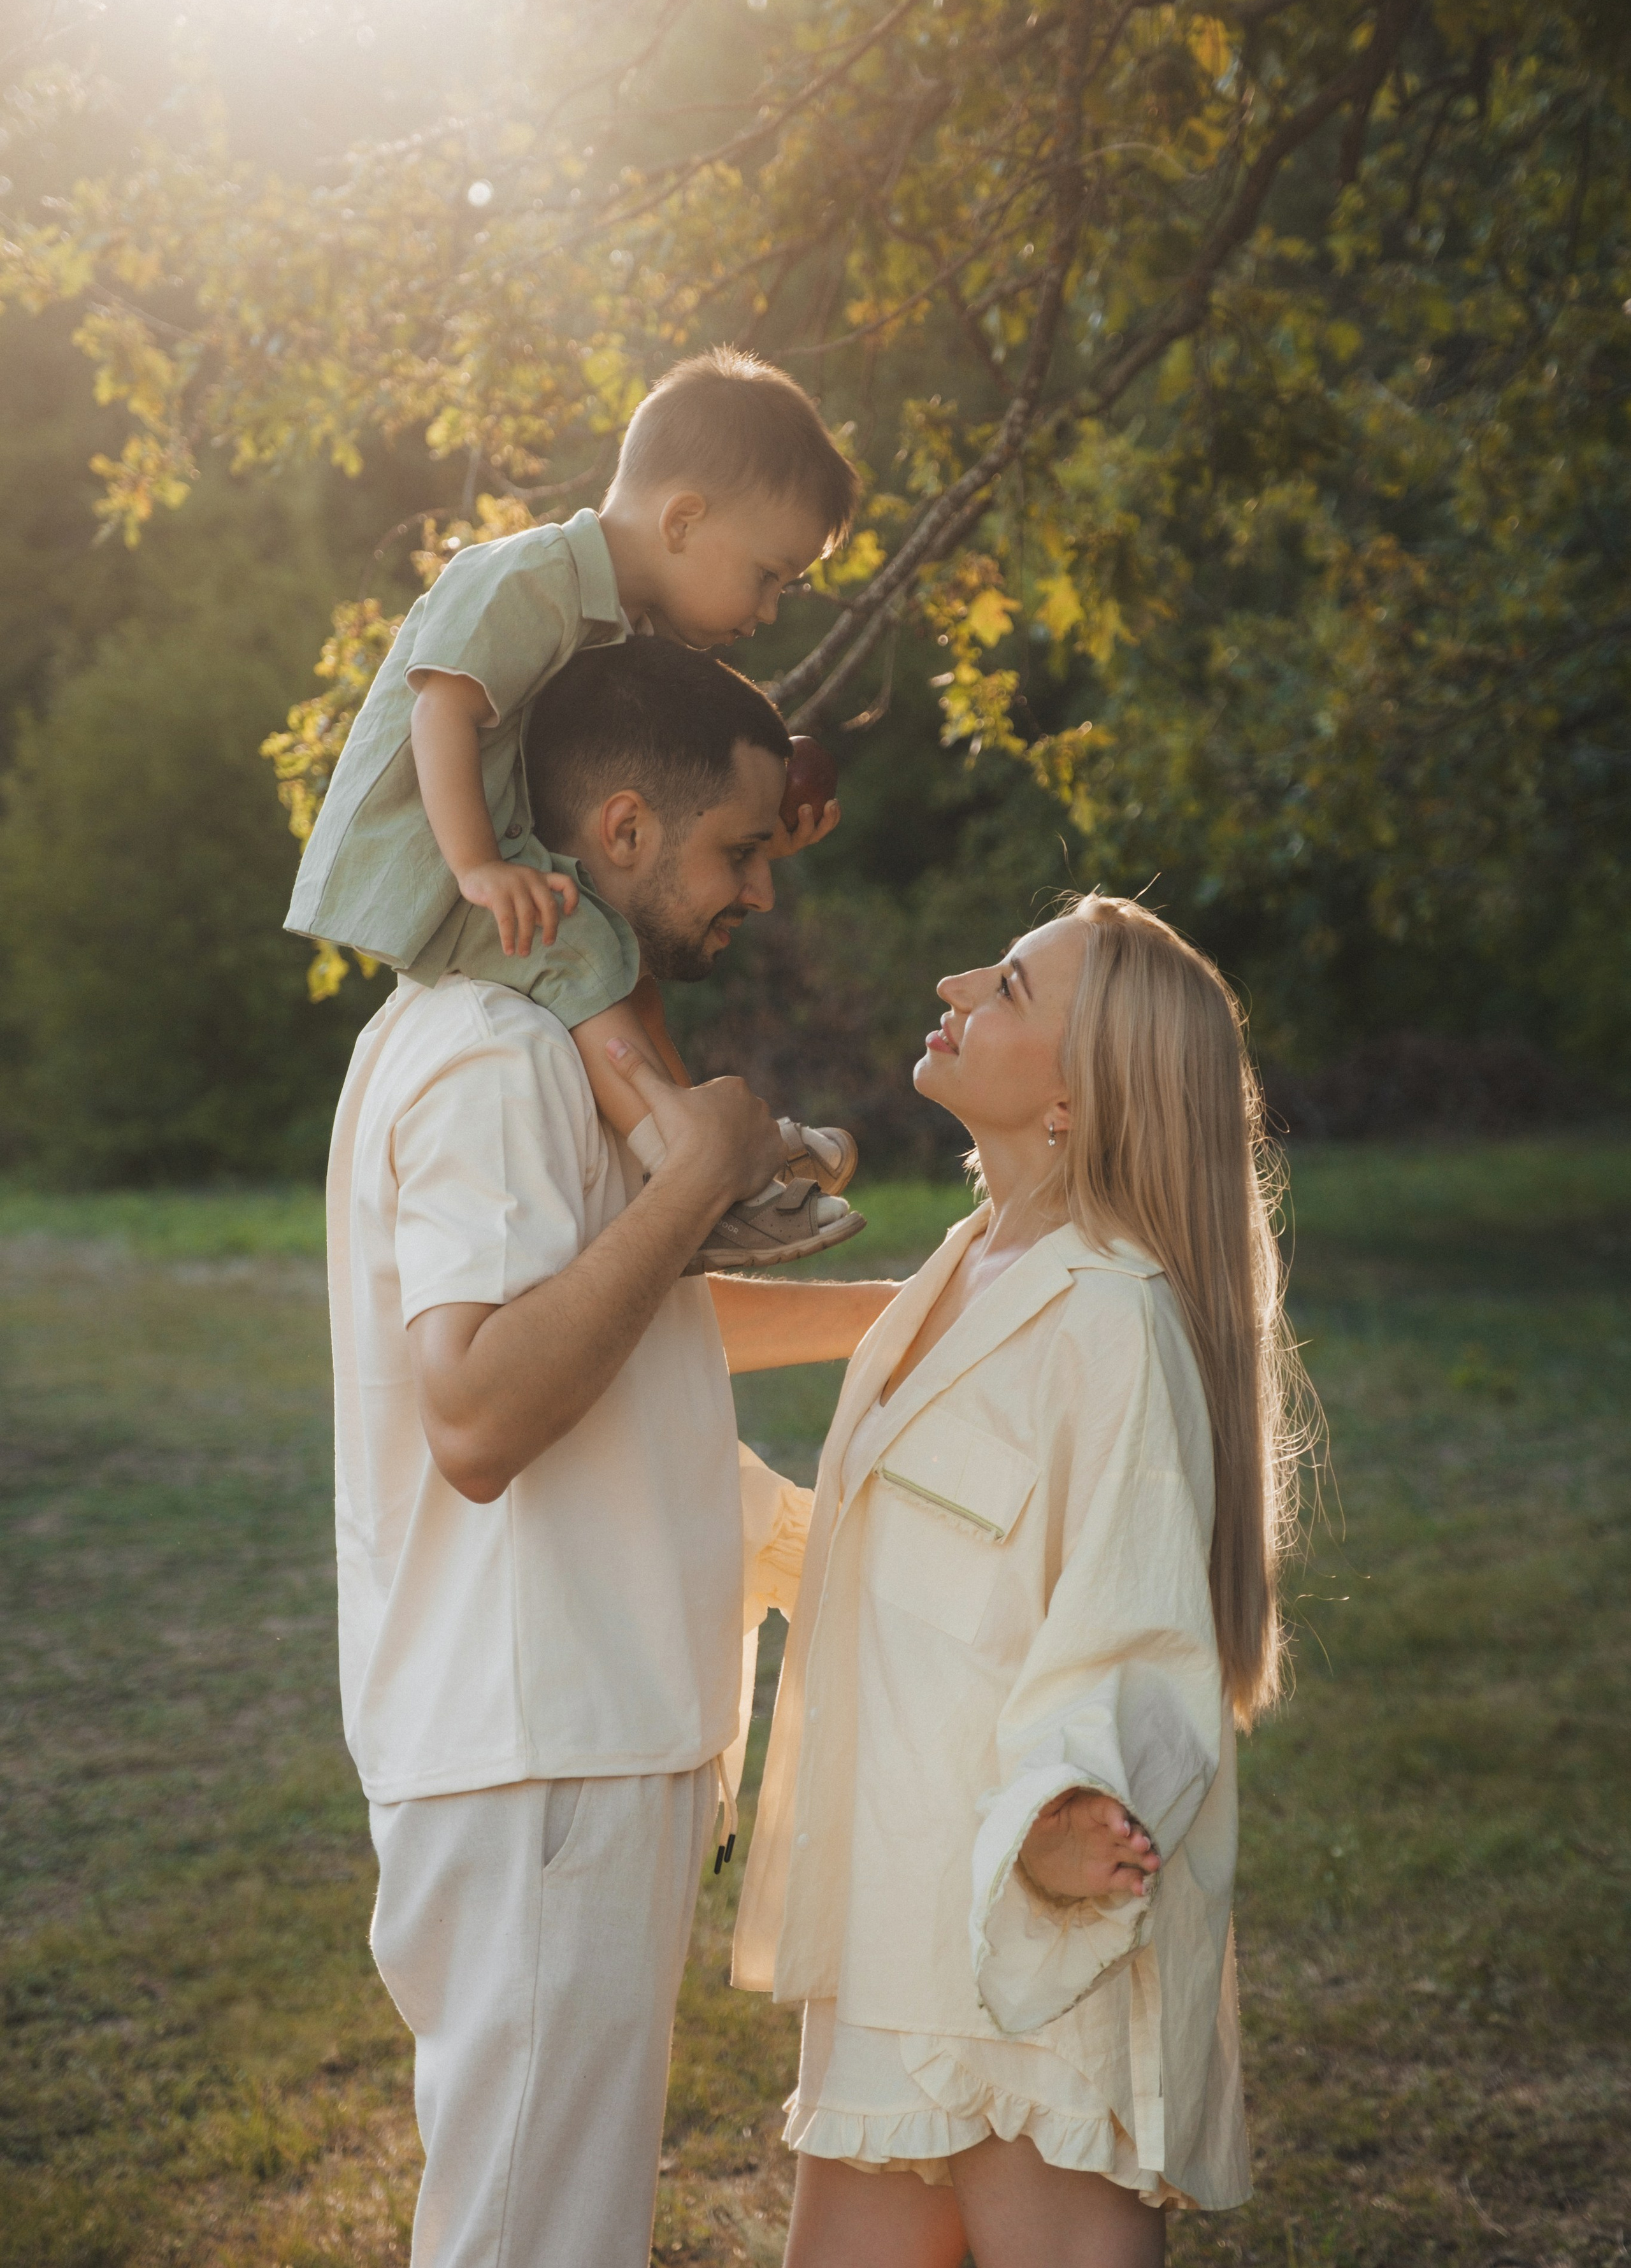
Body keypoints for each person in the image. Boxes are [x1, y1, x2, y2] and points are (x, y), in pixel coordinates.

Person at [328, 636, 895, 2268]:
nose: (759, 891)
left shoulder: (542, 1038)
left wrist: (925, 1309)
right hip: (539, 1750)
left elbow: (625, 1327)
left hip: (575, 1736)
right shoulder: (495, 1055)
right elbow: (477, 1414)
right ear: (625, 828)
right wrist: (696, 1175)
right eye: (737, 851)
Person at [733, 895, 1315, 2267]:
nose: (951, 982)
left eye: (1003, 985)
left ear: (1074, 1097)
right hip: (895, 1929)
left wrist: (1061, 1823)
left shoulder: (1113, 1316)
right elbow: (917, 1568)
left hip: (1030, 1953)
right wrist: (713, 1512)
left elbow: (1139, 1615)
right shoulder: (960, 1269)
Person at [292, 345, 865, 1270]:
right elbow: (441, 708)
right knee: (588, 953)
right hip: (433, 860)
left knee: (627, 958)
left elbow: (664, 810)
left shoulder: (630, 626)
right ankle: (695, 1174)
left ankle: (697, 1161)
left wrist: (756, 838)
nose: (768, 610)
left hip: (510, 854)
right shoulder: (530, 577)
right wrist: (479, 867)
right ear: (683, 519)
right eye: (768, 575)